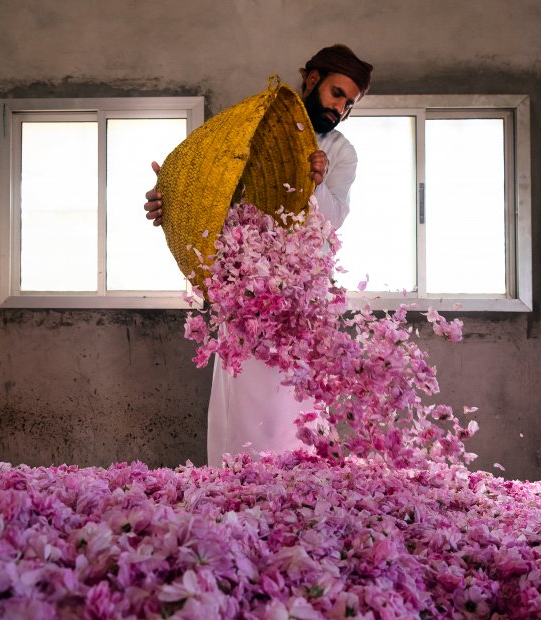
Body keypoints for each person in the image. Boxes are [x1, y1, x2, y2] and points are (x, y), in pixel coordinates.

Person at [145, 45, 373, 466]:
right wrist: (172, 202)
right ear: (312, 80)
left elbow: (333, 219)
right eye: (337, 93)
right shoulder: (254, 132)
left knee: (295, 409)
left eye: (349, 103)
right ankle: (235, 493)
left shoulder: (342, 152)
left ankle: (297, 495)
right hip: (246, 293)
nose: (340, 108)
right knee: (242, 406)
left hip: (301, 301)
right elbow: (218, 198)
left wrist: (314, 181)